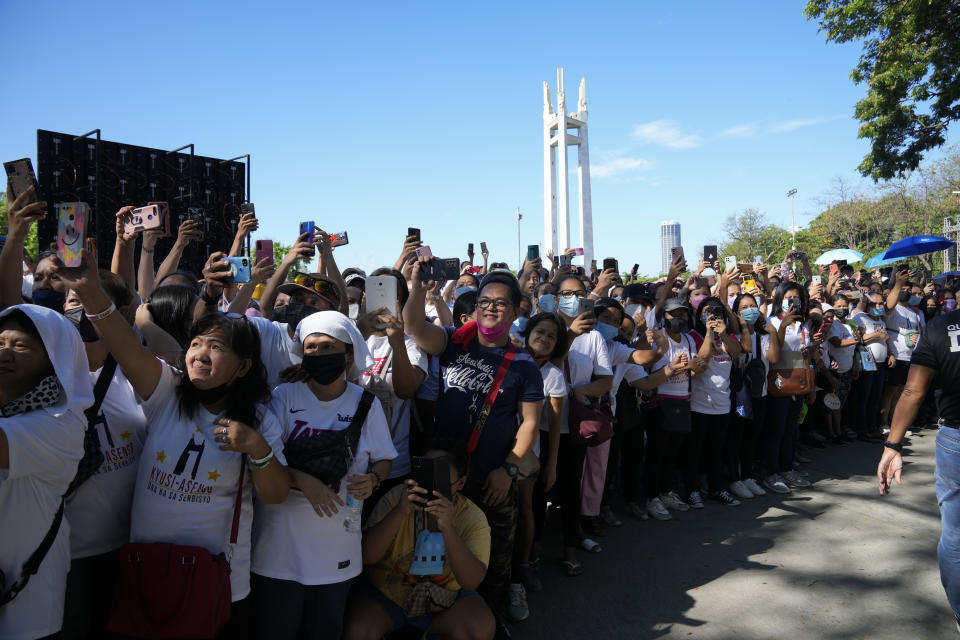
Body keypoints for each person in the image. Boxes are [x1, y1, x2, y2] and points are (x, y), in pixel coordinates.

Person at [57, 251, 292, 639]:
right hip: (144, 574)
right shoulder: (166, 391)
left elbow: (276, 495)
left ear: (244, 366)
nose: (200, 354)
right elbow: (125, 345)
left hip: (214, 584)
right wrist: (90, 292)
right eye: (196, 343)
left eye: (216, 348)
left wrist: (256, 448)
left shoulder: (260, 419)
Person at [403, 266, 543, 634]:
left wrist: (508, 469)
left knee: (495, 560)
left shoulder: (524, 365)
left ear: (515, 311)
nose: (490, 309)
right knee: (434, 551)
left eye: (500, 304)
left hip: (491, 477)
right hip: (443, 476)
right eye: (484, 302)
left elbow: (528, 423)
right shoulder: (452, 341)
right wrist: (417, 291)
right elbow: (415, 329)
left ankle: (490, 622)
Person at [251, 311, 396, 640]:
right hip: (277, 547)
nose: (317, 353)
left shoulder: (366, 403)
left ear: (348, 355)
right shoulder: (282, 397)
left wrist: (373, 480)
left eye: (327, 346)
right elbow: (264, 461)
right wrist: (303, 480)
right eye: (311, 347)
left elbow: (384, 459)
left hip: (336, 548)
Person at [60, 276, 148, 640]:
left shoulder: (137, 372)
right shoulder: (49, 374)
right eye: (71, 298)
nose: (78, 305)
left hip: (128, 547)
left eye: (89, 299)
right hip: (67, 553)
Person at [0, 305, 93, 640]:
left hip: (27, 604)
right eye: (0, 343)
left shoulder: (60, 424)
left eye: (21, 346)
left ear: (55, 360)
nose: (5, 354)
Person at [343, 441, 495, 640]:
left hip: (445, 602)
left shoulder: (472, 517)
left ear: (461, 484)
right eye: (424, 477)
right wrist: (400, 511)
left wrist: (447, 528)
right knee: (358, 631)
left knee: (479, 628)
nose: (430, 488)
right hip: (388, 596)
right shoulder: (398, 497)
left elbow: (471, 581)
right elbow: (367, 556)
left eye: (440, 482)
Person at [877, 304, 960, 630]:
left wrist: (892, 446)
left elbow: (913, 390)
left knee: (955, 534)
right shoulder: (937, 326)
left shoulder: (940, 327)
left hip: (955, 437)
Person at [356, 268, 427, 495]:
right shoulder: (352, 338)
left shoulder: (411, 344)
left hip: (392, 464)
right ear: (364, 297)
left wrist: (396, 343)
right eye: (376, 291)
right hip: (350, 461)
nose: (382, 300)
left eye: (390, 294)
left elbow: (406, 391)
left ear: (401, 302)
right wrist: (360, 335)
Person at [644, 297, 706, 520]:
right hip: (659, 402)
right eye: (673, 315)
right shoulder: (657, 338)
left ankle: (666, 492)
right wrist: (683, 367)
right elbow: (652, 370)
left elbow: (694, 370)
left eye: (682, 314)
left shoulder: (689, 340)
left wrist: (696, 367)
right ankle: (651, 498)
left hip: (682, 400)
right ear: (664, 317)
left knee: (672, 454)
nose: (678, 319)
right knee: (656, 454)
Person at [684, 297, 743, 507]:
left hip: (723, 404)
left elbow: (737, 353)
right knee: (695, 451)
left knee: (716, 451)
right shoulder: (692, 336)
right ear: (699, 314)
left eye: (715, 311)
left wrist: (723, 334)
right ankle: (691, 490)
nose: (711, 314)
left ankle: (717, 489)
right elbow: (701, 361)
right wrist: (709, 334)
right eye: (706, 311)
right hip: (699, 404)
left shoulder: (727, 336)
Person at [763, 282, 819, 494]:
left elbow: (805, 354)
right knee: (776, 429)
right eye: (788, 298)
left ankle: (787, 468)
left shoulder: (803, 324)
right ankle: (772, 472)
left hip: (799, 379)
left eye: (797, 298)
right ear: (779, 299)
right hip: (779, 380)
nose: (793, 302)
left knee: (790, 428)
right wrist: (784, 326)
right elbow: (773, 352)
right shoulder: (772, 321)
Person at [727, 293, 780, 499]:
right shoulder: (734, 336)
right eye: (744, 307)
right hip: (740, 398)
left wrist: (773, 333)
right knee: (737, 436)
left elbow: (774, 358)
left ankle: (747, 476)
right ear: (737, 312)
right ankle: (735, 478)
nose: (750, 310)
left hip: (761, 395)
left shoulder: (764, 335)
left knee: (752, 437)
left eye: (753, 306)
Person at [882, 269, 925, 431]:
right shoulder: (894, 309)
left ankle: (896, 424)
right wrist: (898, 283)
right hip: (896, 355)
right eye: (903, 290)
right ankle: (884, 423)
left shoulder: (914, 313)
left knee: (902, 392)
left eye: (908, 291)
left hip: (910, 357)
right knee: (890, 391)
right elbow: (889, 306)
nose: (905, 293)